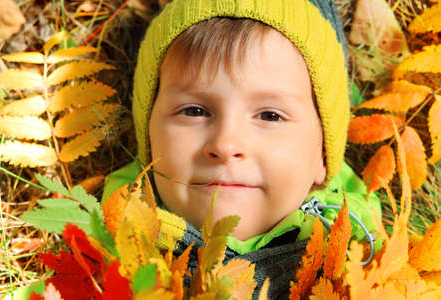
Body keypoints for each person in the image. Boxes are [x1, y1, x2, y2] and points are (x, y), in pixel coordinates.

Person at [103, 0, 381, 298]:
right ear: (148, 135)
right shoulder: (103, 249)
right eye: (194, 111)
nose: (225, 144)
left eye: (270, 116)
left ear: (323, 155)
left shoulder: (360, 261)